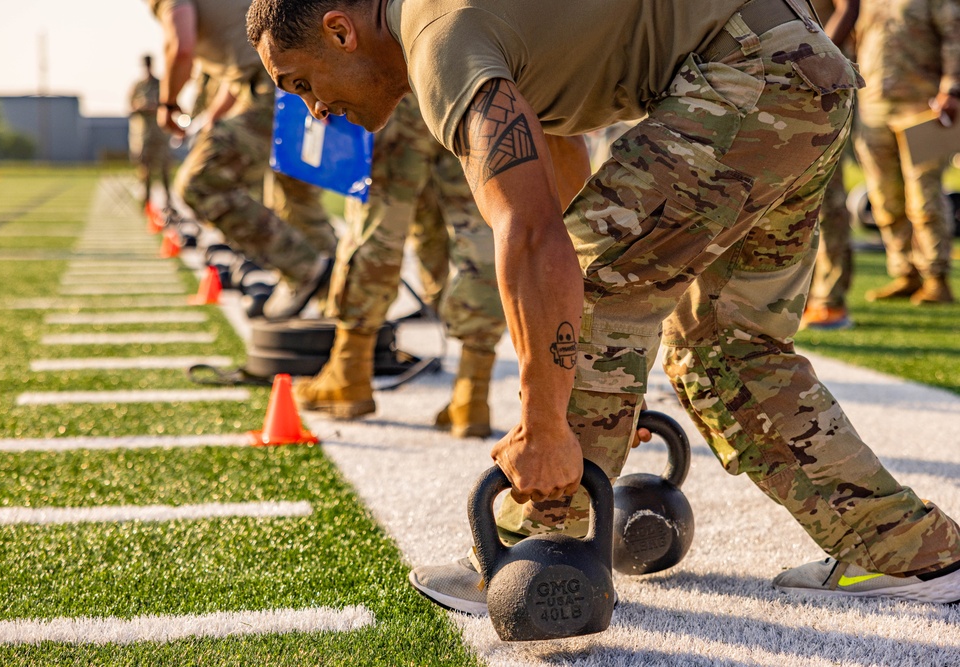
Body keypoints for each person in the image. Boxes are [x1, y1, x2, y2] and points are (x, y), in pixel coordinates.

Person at [247, 0, 960, 615]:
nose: (313, 108)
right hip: (802, 66)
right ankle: (902, 548)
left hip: (752, 70)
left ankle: (540, 538)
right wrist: (599, 393)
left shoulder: (434, 38)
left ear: (341, 31)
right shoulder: (468, 27)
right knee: (725, 349)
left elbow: (535, 239)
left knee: (587, 282)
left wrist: (549, 422)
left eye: (301, 82)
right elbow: (565, 188)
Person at [295, 93, 507, 438]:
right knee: (480, 230)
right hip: (473, 87)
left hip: (401, 88)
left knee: (377, 224)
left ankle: (349, 374)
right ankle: (472, 395)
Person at [148, 0, 336, 315]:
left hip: (275, 85)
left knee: (200, 183)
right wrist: (214, 115)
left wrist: (167, 104)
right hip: (289, 78)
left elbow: (180, 47)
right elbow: (244, 60)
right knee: (296, 198)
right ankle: (345, 311)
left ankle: (304, 268)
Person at [853, 0, 959, 305]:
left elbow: (955, 35)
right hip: (873, 106)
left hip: (923, 105)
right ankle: (906, 272)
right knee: (885, 198)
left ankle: (937, 278)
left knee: (924, 197)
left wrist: (952, 88)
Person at [800, 0, 860, 329]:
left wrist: (819, 62)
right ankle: (799, 297)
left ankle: (831, 300)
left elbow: (848, 8)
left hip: (823, 84)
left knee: (826, 196)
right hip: (781, 81)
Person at [127, 54, 174, 210]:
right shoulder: (138, 86)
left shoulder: (161, 84)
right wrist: (141, 107)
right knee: (144, 171)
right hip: (143, 135)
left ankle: (168, 202)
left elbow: (169, 104)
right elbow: (130, 107)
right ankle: (146, 203)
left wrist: (154, 108)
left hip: (160, 134)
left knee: (164, 170)